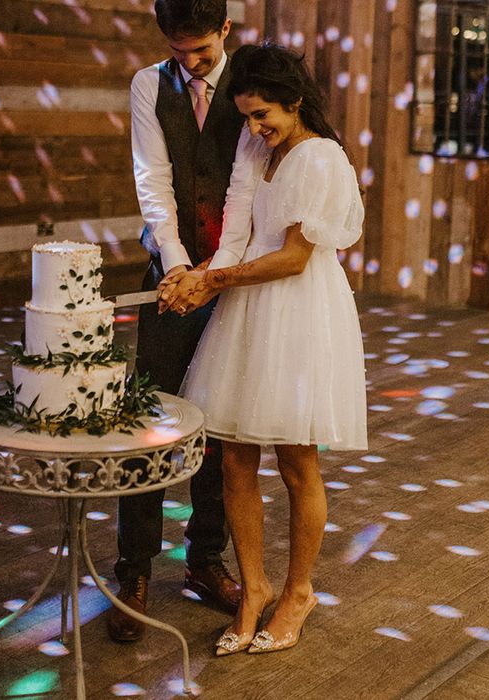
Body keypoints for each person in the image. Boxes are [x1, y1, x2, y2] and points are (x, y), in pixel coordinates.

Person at [160, 42, 368, 655]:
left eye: (263, 116)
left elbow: (294, 256)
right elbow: (236, 229)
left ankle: (299, 590)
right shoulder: (255, 147)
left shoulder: (322, 158)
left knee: (297, 460)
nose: (254, 128)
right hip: (248, 305)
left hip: (299, 309)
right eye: (248, 116)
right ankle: (254, 588)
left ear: (295, 102)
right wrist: (200, 278)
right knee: (234, 461)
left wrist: (217, 282)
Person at [107, 0, 259, 642]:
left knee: (222, 424)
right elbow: (154, 179)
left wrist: (216, 272)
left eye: (202, 50)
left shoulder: (253, 81)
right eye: (179, 52)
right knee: (151, 420)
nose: (191, 63)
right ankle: (133, 570)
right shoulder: (149, 84)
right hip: (172, 277)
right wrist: (175, 267)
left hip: (234, 277)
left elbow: (251, 182)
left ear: (227, 30)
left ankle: (204, 562)